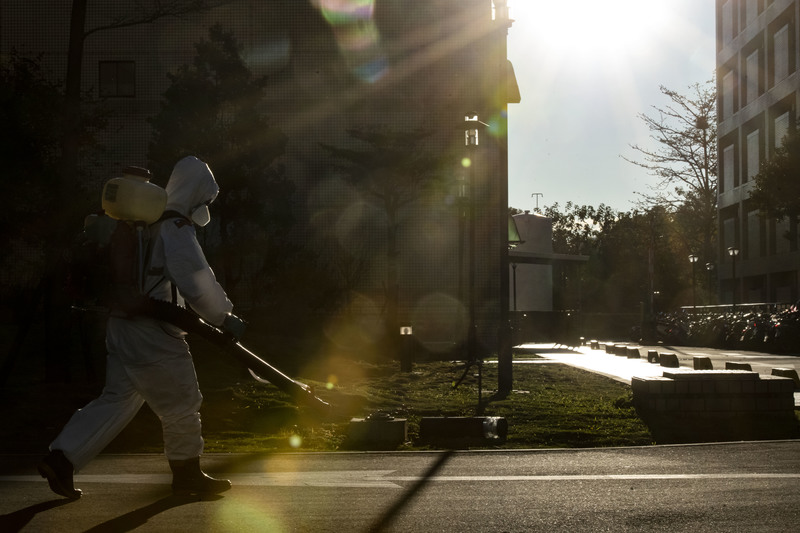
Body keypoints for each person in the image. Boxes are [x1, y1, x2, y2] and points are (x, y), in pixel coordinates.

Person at [38, 156, 244, 499]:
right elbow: (196, 281)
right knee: (182, 399)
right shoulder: (174, 227)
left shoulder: (142, 219)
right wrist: (223, 316)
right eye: (205, 199)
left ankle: (61, 460)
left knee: (117, 399)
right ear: (197, 193)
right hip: (153, 332)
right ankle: (187, 475)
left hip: (121, 325)